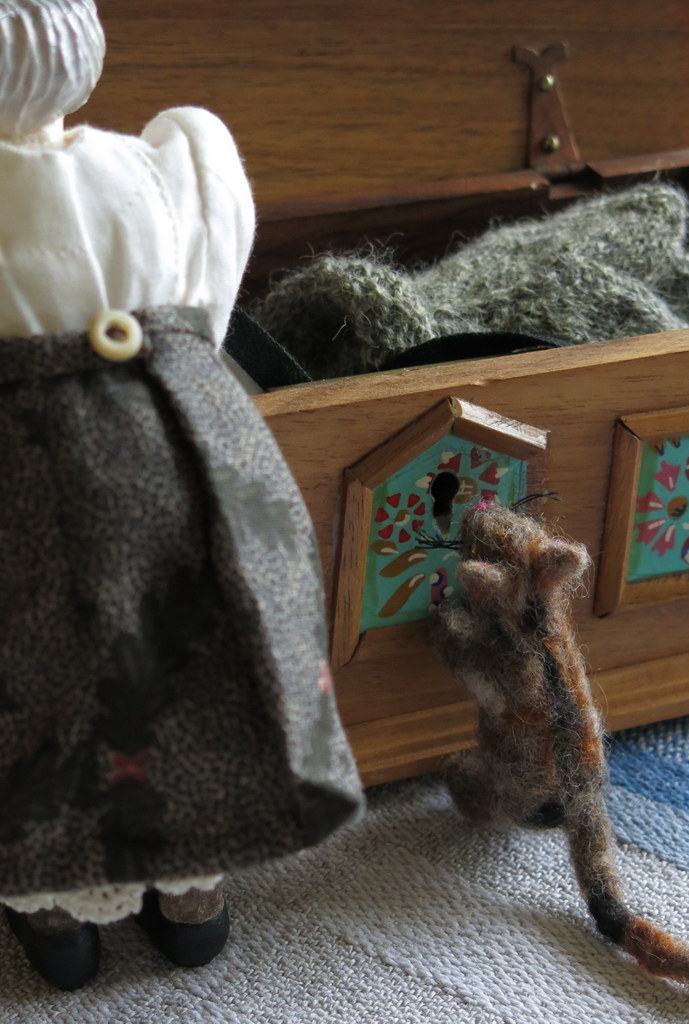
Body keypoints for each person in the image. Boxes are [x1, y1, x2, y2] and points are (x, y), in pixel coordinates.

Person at [0, 0, 361, 990]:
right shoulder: (164, 161)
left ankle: (55, 917)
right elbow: (204, 312)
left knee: (36, 687)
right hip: (174, 445)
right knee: (196, 656)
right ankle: (191, 897)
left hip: (24, 481)